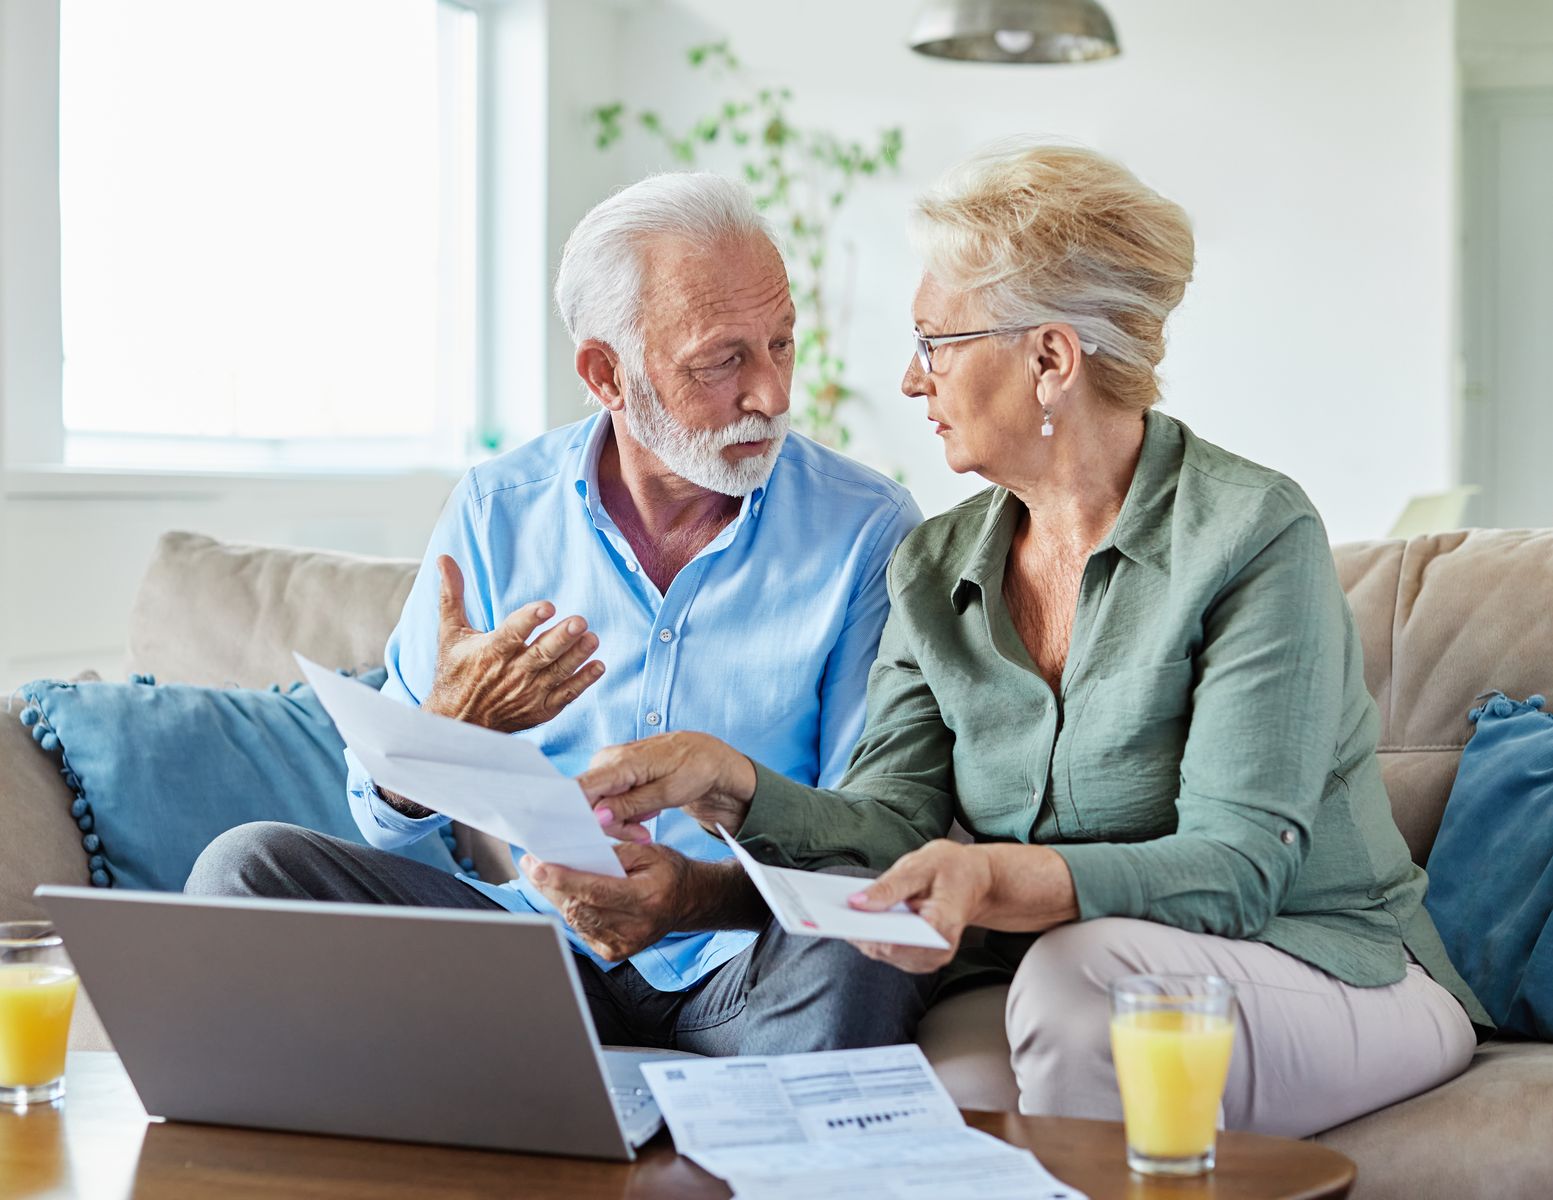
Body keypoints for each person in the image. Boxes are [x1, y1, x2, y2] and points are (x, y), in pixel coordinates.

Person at [578, 143, 1490, 1136]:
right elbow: (891, 821)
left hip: (1325, 963)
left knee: (1070, 983)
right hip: (1079, 971)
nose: (910, 380)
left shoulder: (1249, 534)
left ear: (1049, 360)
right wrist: (728, 783)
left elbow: (1236, 866)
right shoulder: (933, 567)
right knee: (955, 1071)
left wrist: (991, 879)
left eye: (935, 342)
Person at [186, 172, 927, 1056]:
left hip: (748, 959)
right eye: (723, 360)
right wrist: (441, 733)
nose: (769, 395)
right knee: (248, 869)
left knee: (871, 941)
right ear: (605, 373)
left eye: (780, 345)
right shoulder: (498, 510)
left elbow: (864, 841)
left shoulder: (865, 529)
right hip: (537, 951)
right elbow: (382, 821)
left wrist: (690, 890)